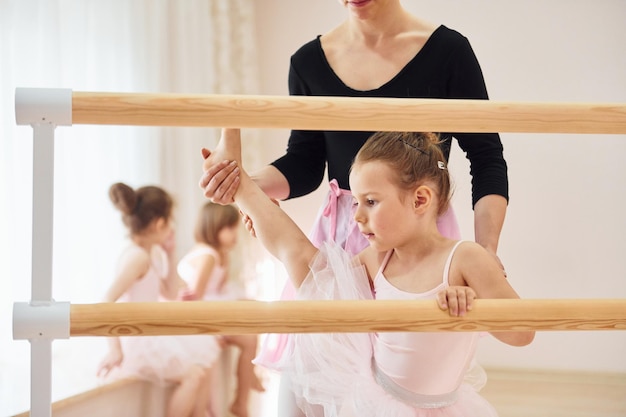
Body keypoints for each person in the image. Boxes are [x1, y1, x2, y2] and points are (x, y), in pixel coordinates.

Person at [199, 129, 533, 417]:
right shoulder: (381, 258)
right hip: (376, 400)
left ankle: (241, 184)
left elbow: (522, 334)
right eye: (356, 202)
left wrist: (471, 307)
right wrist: (258, 210)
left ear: (420, 200)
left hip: (437, 406)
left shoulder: (465, 258)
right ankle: (238, 181)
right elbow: (315, 273)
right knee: (315, 271)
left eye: (370, 202)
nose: (357, 217)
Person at [97, 182, 222, 417]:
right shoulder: (137, 258)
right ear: (160, 223)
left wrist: (171, 251)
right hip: (135, 340)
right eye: (170, 221)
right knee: (193, 376)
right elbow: (105, 301)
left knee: (202, 365)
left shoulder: (151, 253)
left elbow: (170, 293)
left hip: (147, 333)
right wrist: (114, 349)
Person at [177, 202, 265, 417]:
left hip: (214, 308)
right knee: (250, 339)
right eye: (230, 228)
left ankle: (251, 373)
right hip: (204, 314)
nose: (236, 233)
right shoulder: (208, 256)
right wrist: (211, 331)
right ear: (215, 227)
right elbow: (195, 299)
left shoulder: (217, 253)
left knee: (256, 310)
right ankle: (241, 400)